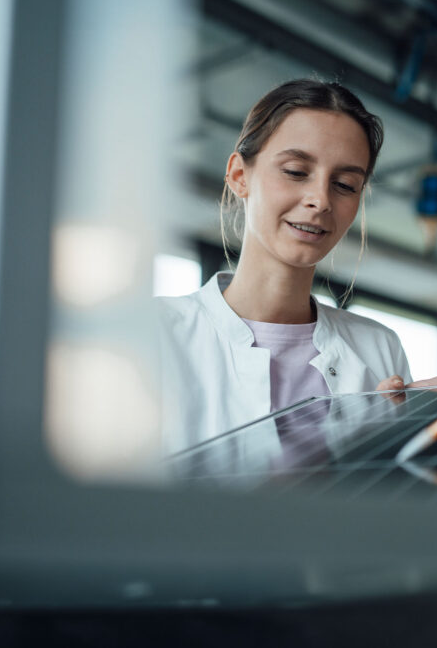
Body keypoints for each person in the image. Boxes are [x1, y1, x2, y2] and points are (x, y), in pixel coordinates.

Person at [157, 79, 413, 460]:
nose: (320, 200)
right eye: (295, 171)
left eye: (345, 184)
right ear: (239, 176)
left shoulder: (378, 347)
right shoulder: (155, 332)